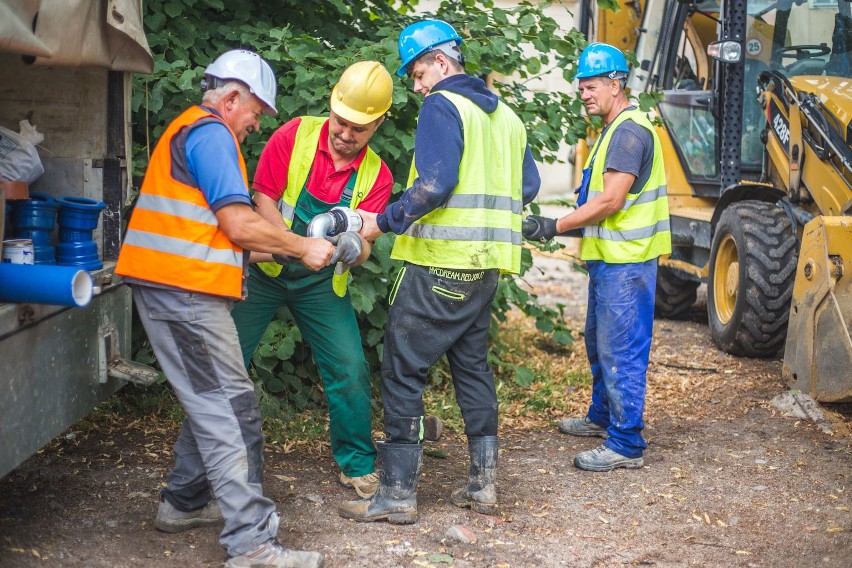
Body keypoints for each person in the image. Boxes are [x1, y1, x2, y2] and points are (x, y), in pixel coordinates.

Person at [115, 49, 328, 568]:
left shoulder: (198, 133)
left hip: (178, 288)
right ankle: (251, 545)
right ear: (232, 98)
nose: (256, 125)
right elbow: (237, 227)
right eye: (256, 113)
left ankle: (184, 503)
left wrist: (290, 245)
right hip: (183, 294)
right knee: (229, 413)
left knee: (221, 402)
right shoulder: (212, 135)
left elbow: (223, 238)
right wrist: (302, 247)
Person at [339, 19, 540, 524]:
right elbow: (529, 186)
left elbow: (434, 184)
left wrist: (380, 222)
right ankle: (483, 486)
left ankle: (397, 496)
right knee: (471, 366)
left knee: (404, 370)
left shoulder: (442, 105)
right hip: (488, 268)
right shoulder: (508, 118)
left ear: (442, 62)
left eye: (418, 71)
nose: (416, 84)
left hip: (438, 267)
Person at [230, 61, 394, 500]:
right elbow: (261, 198)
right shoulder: (294, 135)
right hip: (266, 270)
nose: (346, 133)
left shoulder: (378, 175)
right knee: (224, 361)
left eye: (359, 128)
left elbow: (367, 247)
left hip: (322, 284)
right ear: (332, 106)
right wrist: (295, 245)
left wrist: (349, 248)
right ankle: (216, 461)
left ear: (378, 123)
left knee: (350, 369)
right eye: (342, 121)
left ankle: (357, 463)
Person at [524, 42, 671, 472]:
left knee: (619, 348)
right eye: (580, 88)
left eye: (590, 87)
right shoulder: (615, 127)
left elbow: (610, 201)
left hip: (627, 261)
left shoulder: (626, 132)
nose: (584, 95)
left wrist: (555, 225)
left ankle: (626, 443)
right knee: (599, 341)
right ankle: (601, 417)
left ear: (615, 83)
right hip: (612, 260)